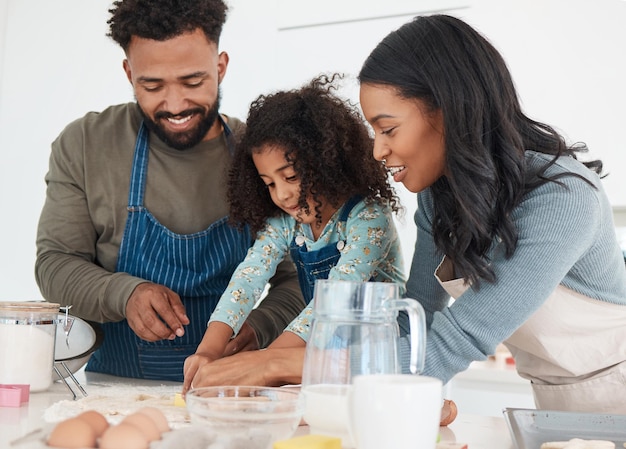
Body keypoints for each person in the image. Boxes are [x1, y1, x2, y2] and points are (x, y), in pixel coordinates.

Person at [358, 14, 626, 413]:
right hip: (556, 402)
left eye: (389, 129)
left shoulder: (563, 195)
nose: (378, 151)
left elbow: (458, 337)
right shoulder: (438, 199)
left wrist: (301, 367)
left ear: (448, 109)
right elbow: (416, 321)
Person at [34, 0, 305, 381]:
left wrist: (262, 325)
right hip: (114, 388)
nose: (175, 104)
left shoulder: (261, 154)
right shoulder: (85, 143)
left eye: (193, 82)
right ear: (129, 74)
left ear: (220, 67)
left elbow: (299, 277)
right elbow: (55, 265)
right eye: (152, 85)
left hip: (231, 391)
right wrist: (124, 294)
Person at [183, 74, 406, 392]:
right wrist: (208, 350)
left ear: (326, 163)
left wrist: (263, 365)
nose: (282, 195)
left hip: (381, 361)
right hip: (318, 356)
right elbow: (248, 278)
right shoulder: (286, 220)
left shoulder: (368, 217)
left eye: (290, 176)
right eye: (269, 183)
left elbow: (333, 303)